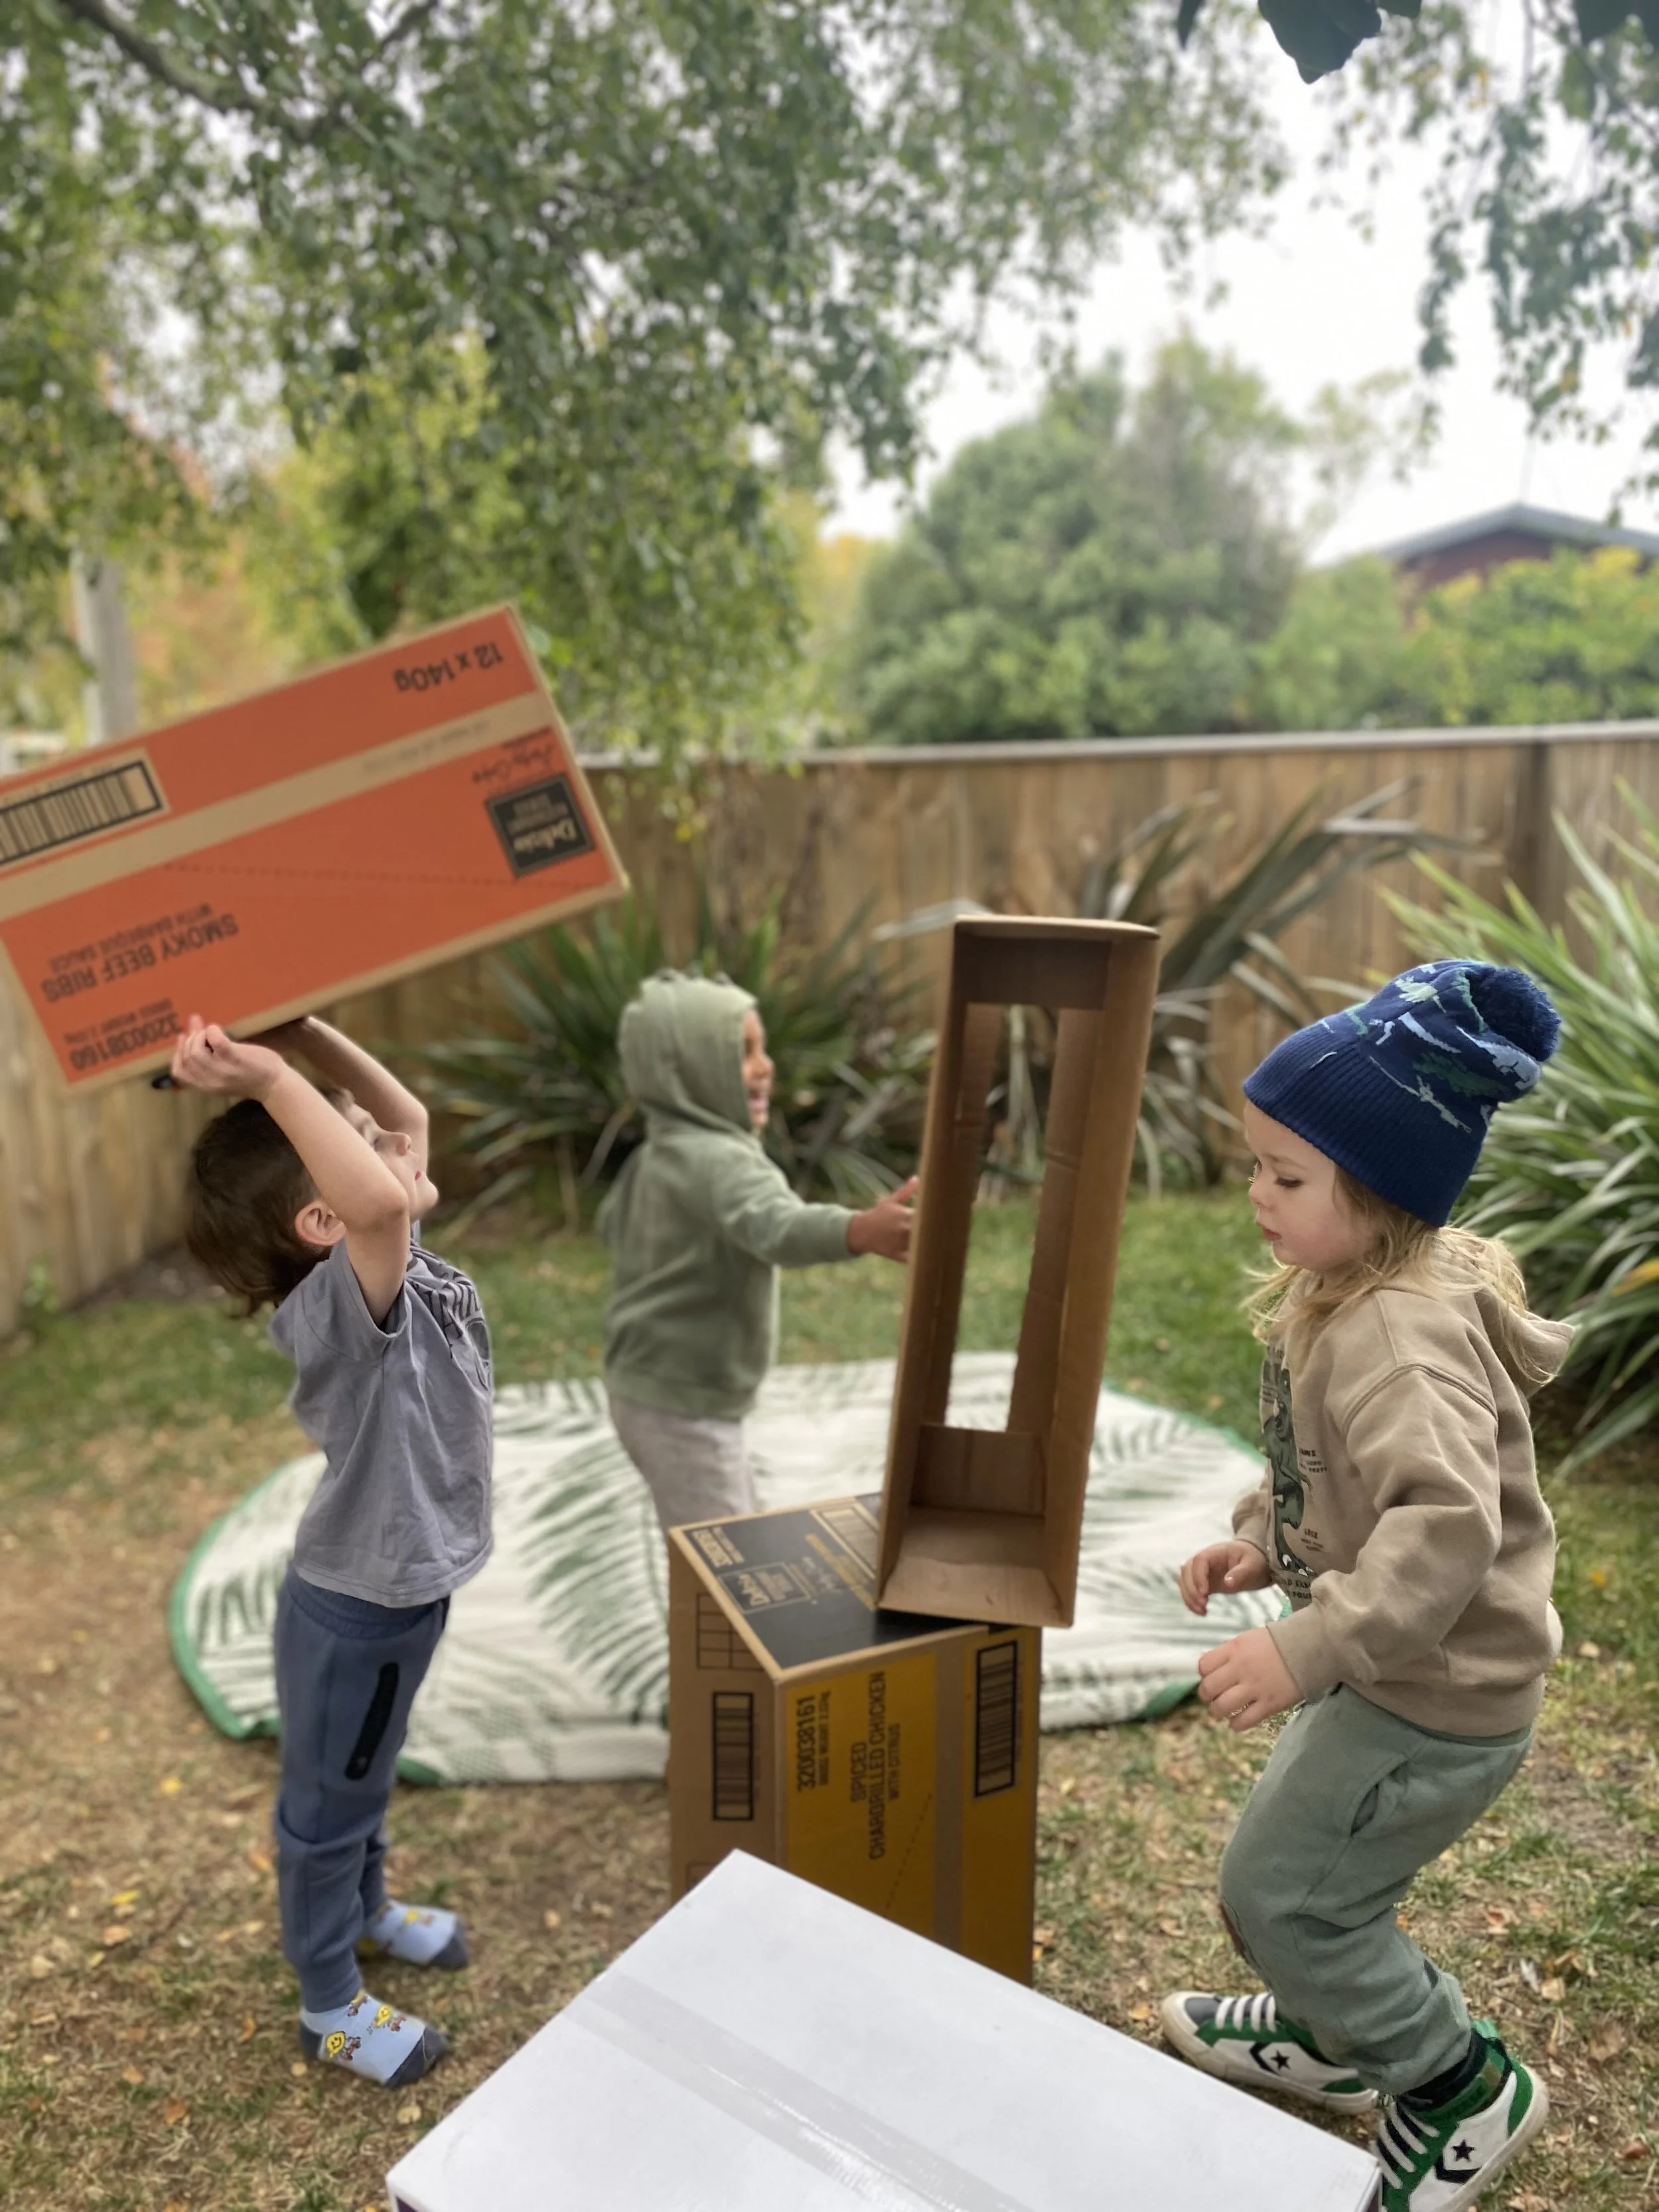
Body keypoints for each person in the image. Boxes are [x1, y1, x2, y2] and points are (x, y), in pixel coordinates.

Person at [1159, 961, 1571, 2212]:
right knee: (1300, 1883)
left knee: (1283, 1892)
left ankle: (1450, 2079)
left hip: (1430, 1695)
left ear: (1382, 1182)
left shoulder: (1399, 1335)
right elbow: (1339, 1482)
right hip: (1387, 1665)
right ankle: (1338, 2033)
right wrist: (1268, 1547)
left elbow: (1444, 1528)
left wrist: (1307, 1640)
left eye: (1287, 1176)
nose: (1256, 1195)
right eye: (1254, 1164)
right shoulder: (1346, 1293)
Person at [173, 1013, 492, 2090]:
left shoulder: (386, 1262)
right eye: (354, 1141)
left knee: (364, 1773)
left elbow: (407, 1119)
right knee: (327, 1802)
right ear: (324, 1215)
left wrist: (303, 1031)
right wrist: (266, 1074)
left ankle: (363, 1911)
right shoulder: (345, 1306)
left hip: (400, 1583)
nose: (393, 1147)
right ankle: (327, 1999)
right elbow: (385, 1191)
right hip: (360, 1605)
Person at [599, 970, 915, 1531]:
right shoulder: (721, 1161)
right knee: (723, 1565)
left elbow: (613, 1228)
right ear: (688, 1070)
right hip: (686, 1407)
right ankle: (706, 1622)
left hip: (643, 1389)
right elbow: (778, 1227)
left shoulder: (661, 1152)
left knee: (718, 1533)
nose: (766, 1066)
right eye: (744, 1052)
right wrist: (858, 1230)